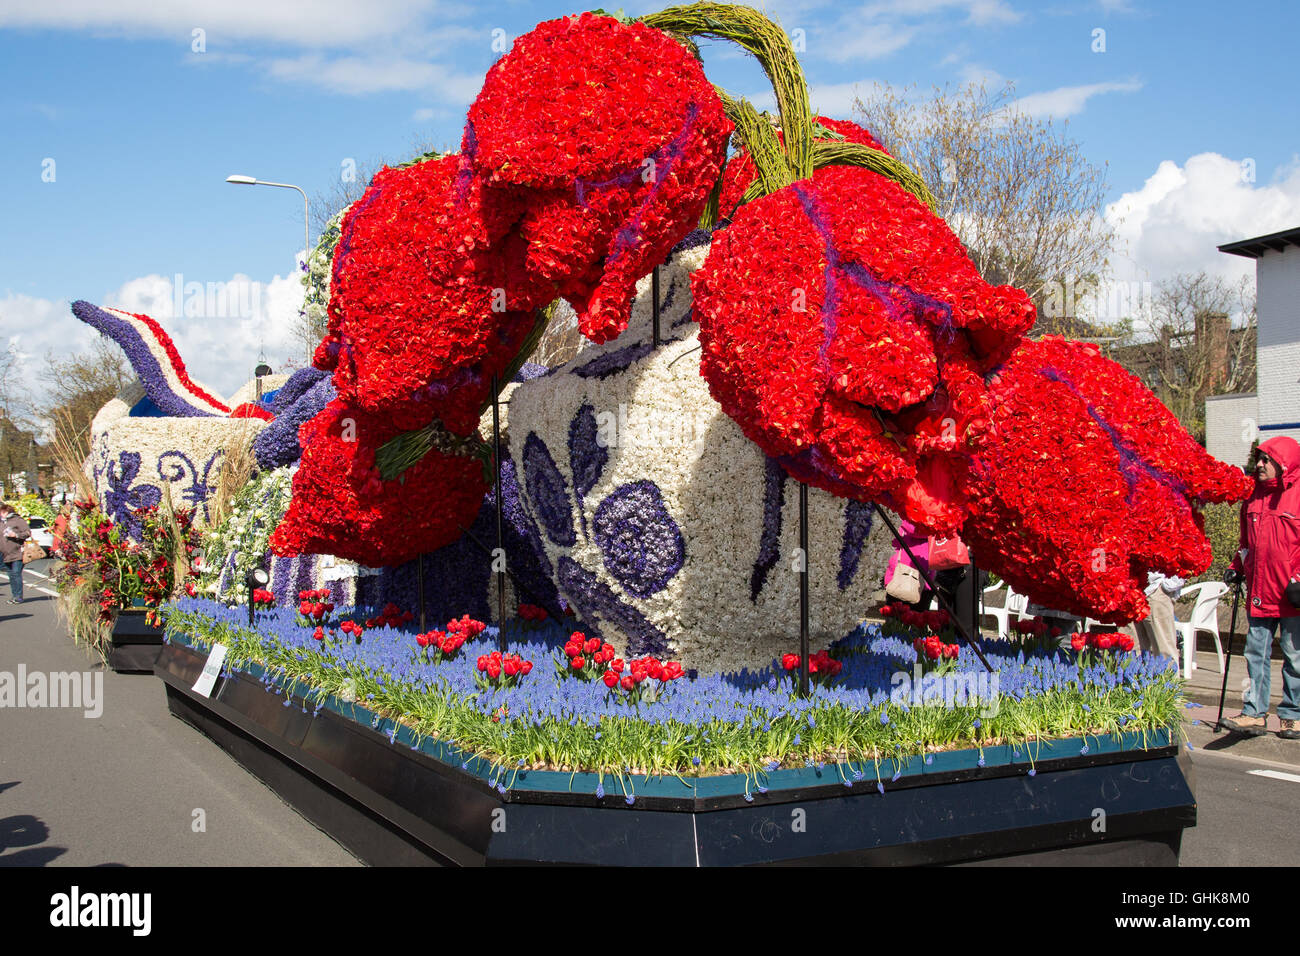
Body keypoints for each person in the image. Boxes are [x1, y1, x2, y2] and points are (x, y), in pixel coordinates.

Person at [1221, 437, 1300, 739]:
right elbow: (1246, 544)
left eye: (1267, 459)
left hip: (1291, 594)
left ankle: (1293, 715)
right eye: (1259, 458)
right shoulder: (1252, 497)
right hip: (1260, 591)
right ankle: (1254, 713)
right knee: (1256, 653)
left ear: (1284, 463)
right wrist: (1236, 566)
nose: (1260, 465)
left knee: (1294, 657)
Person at [1124, 571, 1184, 660]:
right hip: (1127, 588)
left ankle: (1167, 673)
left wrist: (1169, 585)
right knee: (1130, 650)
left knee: (1164, 649)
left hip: (1155, 588)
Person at [1, 502, 32, 605]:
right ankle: (15, 596)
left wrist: (16, 535)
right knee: (11, 575)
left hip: (18, 552)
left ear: (6, 511)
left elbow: (27, 533)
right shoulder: (1, 522)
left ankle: (18, 597)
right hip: (5, 554)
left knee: (16, 573)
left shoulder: (17, 520)